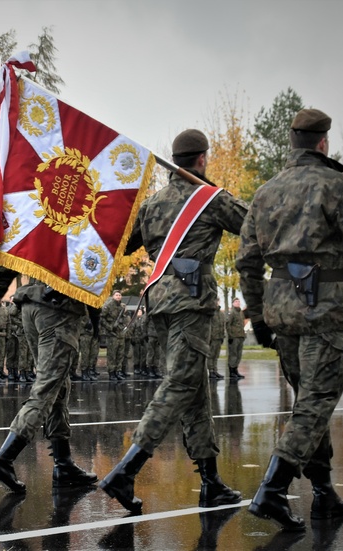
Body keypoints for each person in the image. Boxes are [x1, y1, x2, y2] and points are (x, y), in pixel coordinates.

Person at [237, 108, 343, 530]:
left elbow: (246, 261)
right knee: (316, 404)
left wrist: (257, 313)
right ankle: (273, 491)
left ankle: (323, 492)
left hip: (282, 311)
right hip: (324, 308)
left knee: (307, 405)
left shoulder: (266, 191)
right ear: (323, 143)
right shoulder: (334, 184)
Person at [100, 129, 246, 513]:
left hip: (160, 304)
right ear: (201, 159)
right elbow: (251, 222)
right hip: (191, 303)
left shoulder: (151, 205)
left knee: (195, 389)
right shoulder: (209, 199)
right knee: (180, 383)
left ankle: (211, 481)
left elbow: (123, 243)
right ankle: (125, 470)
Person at [0, 266, 98, 493]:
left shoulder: (35, 227)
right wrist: (96, 313)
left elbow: (5, 265)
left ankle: (63, 463)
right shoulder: (79, 228)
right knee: (47, 389)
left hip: (31, 303)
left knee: (57, 384)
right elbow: (94, 263)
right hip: (60, 307)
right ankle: (3, 461)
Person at [101, 290, 127, 380]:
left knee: (120, 354)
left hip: (120, 333)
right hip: (112, 334)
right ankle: (111, 372)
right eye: (116, 295)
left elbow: (124, 319)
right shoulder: (108, 305)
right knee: (112, 354)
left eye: (120, 295)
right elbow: (102, 318)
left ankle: (118, 371)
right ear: (113, 296)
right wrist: (109, 327)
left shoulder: (121, 307)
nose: (118, 296)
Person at [225, 298, 246, 379]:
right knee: (233, 354)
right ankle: (232, 371)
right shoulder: (232, 312)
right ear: (233, 303)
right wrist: (230, 336)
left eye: (239, 301)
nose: (238, 303)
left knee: (238, 354)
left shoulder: (241, 312)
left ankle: (236, 370)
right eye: (236, 302)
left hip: (240, 336)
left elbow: (242, 324)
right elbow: (228, 324)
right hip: (234, 337)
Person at [207, 307, 226, 380]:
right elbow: (208, 325)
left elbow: (223, 325)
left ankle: (215, 371)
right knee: (211, 355)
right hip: (213, 337)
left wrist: (223, 336)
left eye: (218, 301)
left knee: (216, 355)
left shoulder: (221, 314)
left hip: (219, 337)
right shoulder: (211, 313)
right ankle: (211, 371)